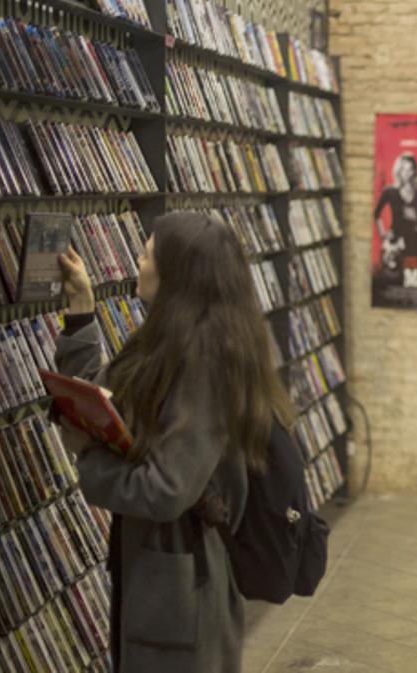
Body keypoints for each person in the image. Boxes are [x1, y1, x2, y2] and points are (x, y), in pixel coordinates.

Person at [54, 212, 295, 672]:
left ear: (175, 275)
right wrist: (81, 313)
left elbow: (165, 490)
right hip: (161, 576)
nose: (137, 264)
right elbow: (96, 401)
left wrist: (90, 465)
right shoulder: (163, 344)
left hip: (185, 589)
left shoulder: (204, 367)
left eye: (146, 255)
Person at [373, 152, 417, 271]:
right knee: (393, 274)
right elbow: (376, 214)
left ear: (415, 171)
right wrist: (383, 234)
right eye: (403, 169)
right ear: (398, 171)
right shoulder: (390, 191)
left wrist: (416, 216)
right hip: (396, 240)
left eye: (410, 169)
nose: (407, 173)